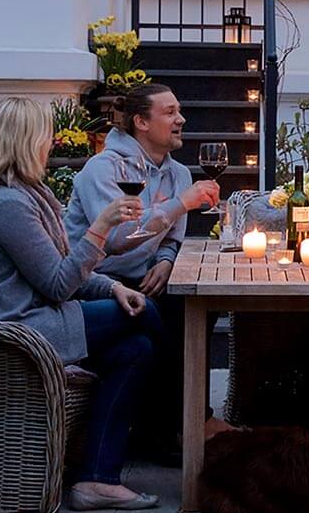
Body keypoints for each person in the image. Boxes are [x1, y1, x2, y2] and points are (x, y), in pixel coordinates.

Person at [0, 97, 161, 511]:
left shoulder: (22, 194)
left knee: (135, 349)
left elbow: (58, 266)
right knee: (149, 313)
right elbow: (60, 284)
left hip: (31, 316)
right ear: (24, 142)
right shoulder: (5, 205)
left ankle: (97, 478)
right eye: (46, 135)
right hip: (9, 328)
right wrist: (101, 227)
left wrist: (112, 287)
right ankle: (176, 425)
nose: (53, 142)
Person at [65, 83, 219, 462]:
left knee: (203, 305)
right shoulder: (103, 169)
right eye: (169, 112)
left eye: (179, 110)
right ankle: (185, 423)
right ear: (140, 122)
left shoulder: (179, 173)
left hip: (146, 277)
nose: (181, 119)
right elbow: (116, 238)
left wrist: (166, 262)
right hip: (95, 282)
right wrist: (180, 205)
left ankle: (170, 427)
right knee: (169, 322)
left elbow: (171, 239)